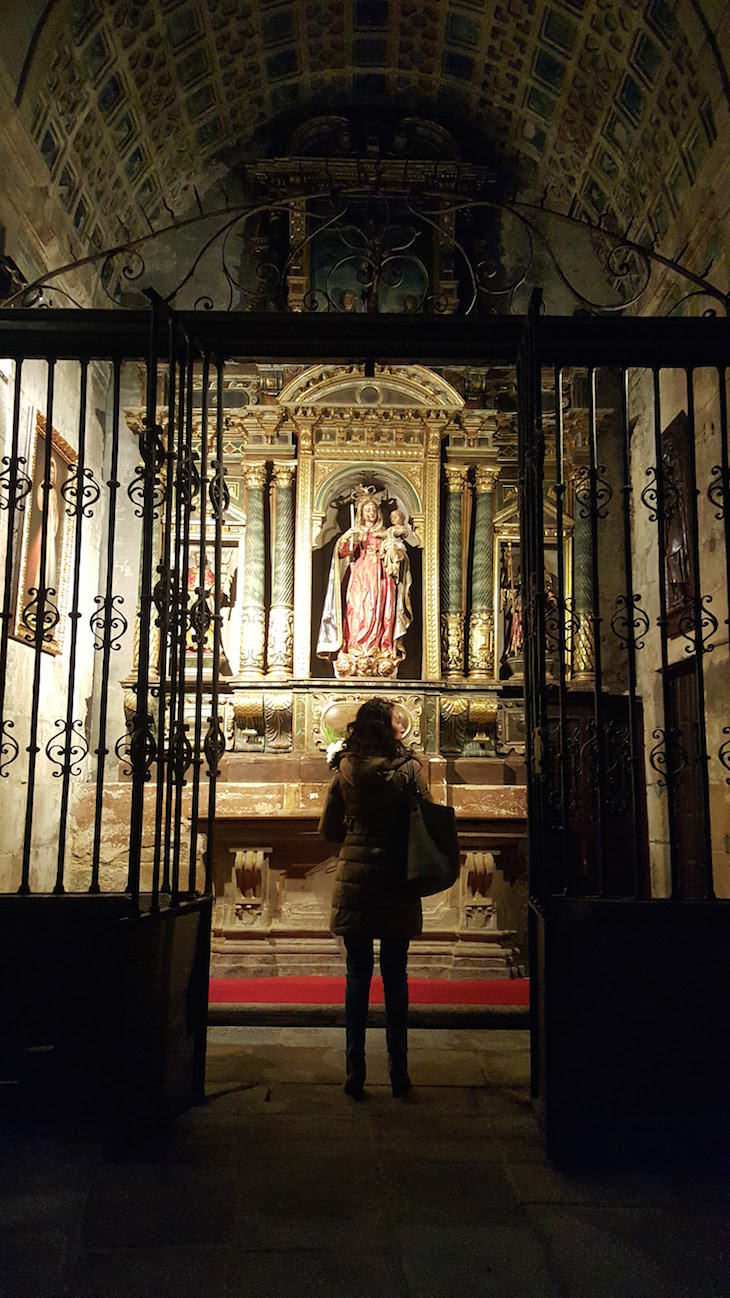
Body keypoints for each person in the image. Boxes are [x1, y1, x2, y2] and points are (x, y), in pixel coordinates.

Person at [318, 698, 430, 1099]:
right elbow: (427, 821)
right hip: (398, 880)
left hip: (357, 881)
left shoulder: (344, 769)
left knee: (357, 975)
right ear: (391, 729)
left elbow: (329, 829)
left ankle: (354, 1071)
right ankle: (399, 1072)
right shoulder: (411, 770)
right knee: (396, 976)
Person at [317, 494, 413, 677]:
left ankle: (381, 648)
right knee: (358, 610)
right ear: (361, 513)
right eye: (367, 510)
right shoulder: (357, 532)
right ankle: (355, 647)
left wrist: (392, 549)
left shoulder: (386, 533)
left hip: (382, 575)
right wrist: (348, 538)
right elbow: (342, 552)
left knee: (380, 611)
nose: (371, 513)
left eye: (374, 510)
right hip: (361, 575)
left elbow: (399, 555)